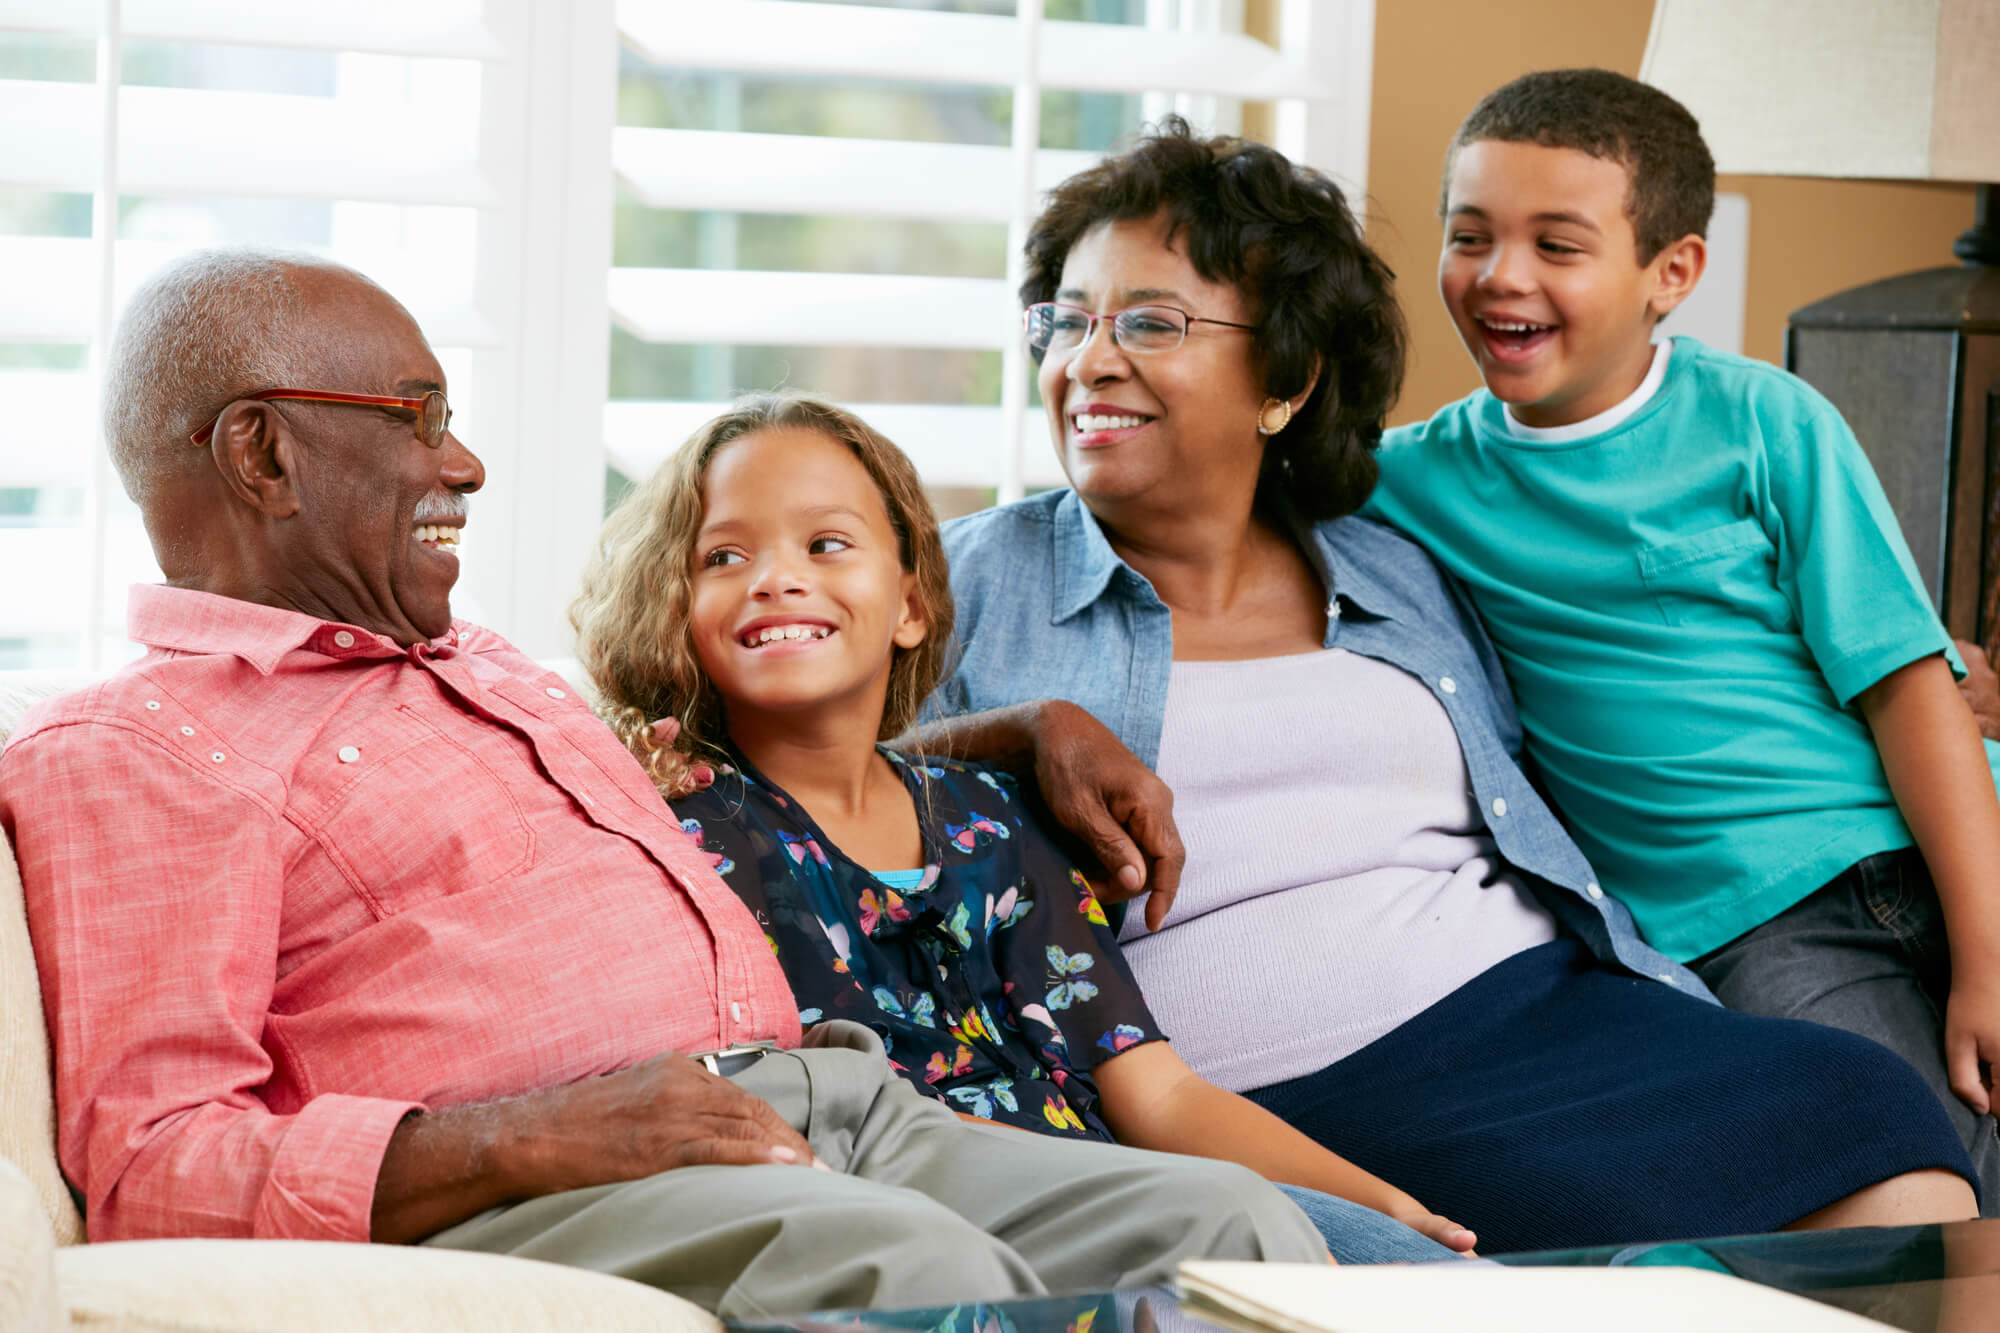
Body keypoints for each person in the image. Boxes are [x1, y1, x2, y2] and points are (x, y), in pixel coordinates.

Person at [0, 247, 1330, 1319]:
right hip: (566, 1181)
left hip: (838, 1102)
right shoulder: (138, 754)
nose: (463, 464)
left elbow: (778, 767)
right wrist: (531, 1137)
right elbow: (153, 1158)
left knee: (1234, 1232)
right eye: (417, 419)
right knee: (919, 1282)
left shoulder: (482, 668)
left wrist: (1022, 726)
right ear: (262, 454)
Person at [927, 117, 1982, 1254]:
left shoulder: (1395, 552)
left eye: (1148, 322)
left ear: (1284, 378)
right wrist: (1016, 730)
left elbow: (1636, 650)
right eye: (1067, 322)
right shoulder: (955, 578)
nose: (1088, 358)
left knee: (1875, 1119)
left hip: (1541, 1007)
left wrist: (1940, 668)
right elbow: (776, 782)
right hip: (1252, 1087)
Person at [569, 392, 1474, 1262]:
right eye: (722, 557)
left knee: (1436, 1282)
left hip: (1124, 1194)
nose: (776, 578)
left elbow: (1157, 1089)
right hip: (935, 1228)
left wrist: (1388, 1205)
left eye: (827, 542)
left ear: (912, 607)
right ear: (677, 612)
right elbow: (820, 1124)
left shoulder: (989, 819)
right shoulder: (691, 838)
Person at [1363, 69, 2000, 1209]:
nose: (1501, 275)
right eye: (1470, 235)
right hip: (1754, 919)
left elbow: (1909, 691)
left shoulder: (1766, 421)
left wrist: (1984, 955)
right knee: (1901, 1174)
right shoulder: (1406, 481)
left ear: (1672, 274)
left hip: (1948, 835)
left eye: (1557, 245)